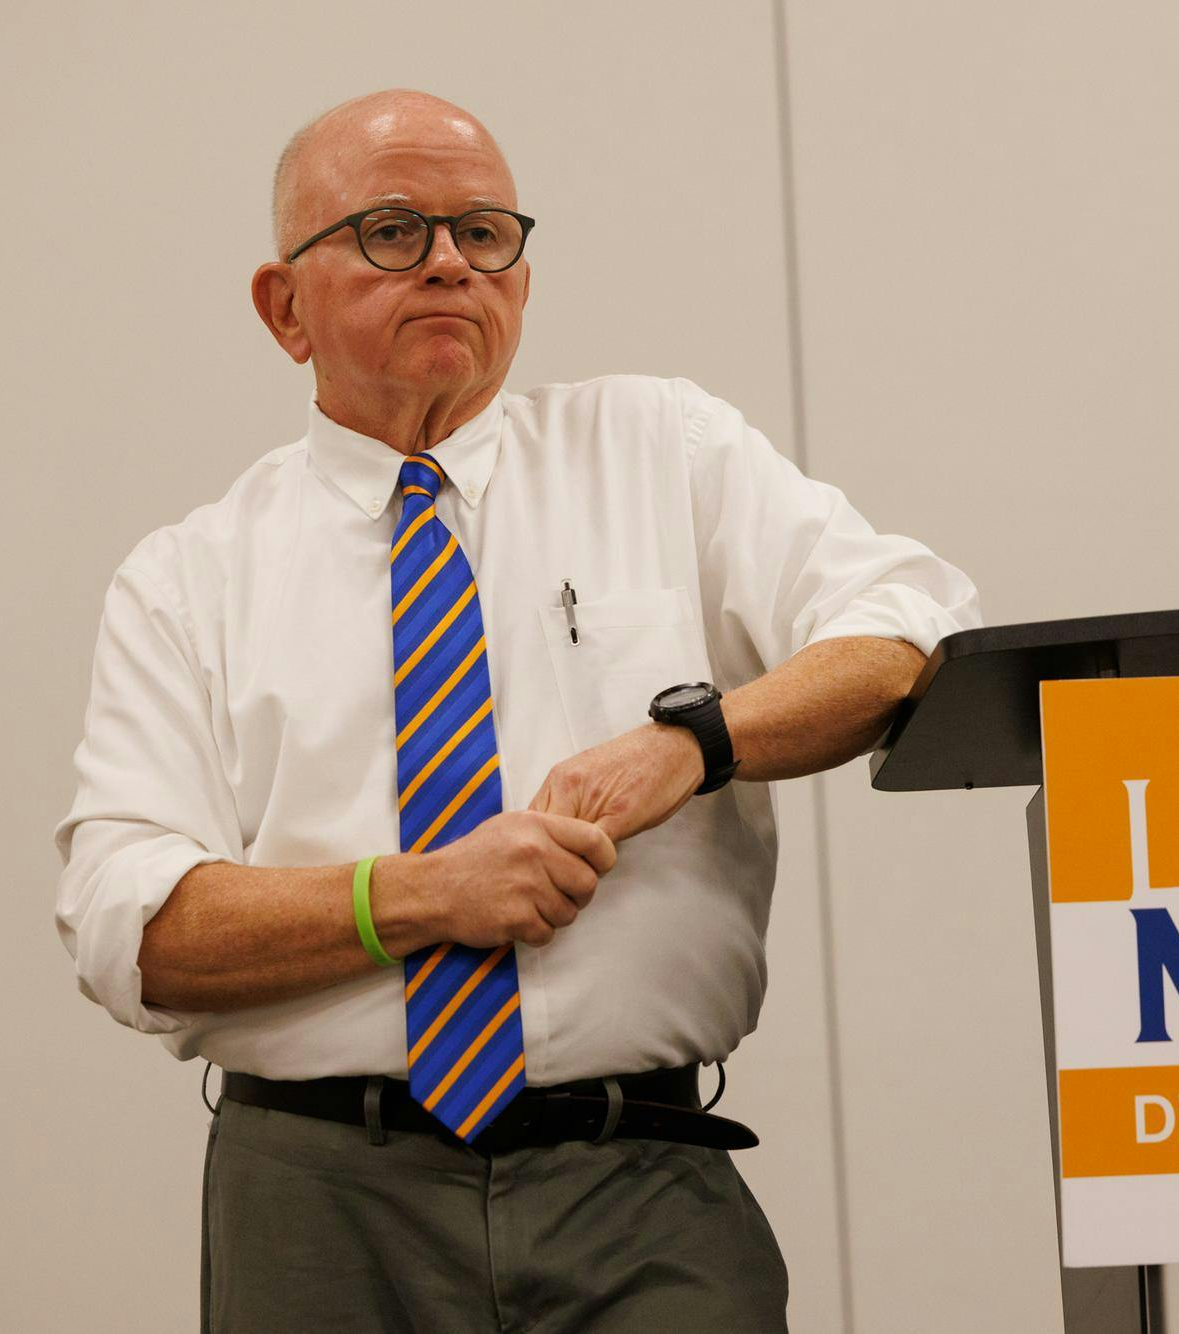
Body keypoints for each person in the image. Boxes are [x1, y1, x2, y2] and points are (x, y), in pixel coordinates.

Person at [51, 88, 981, 1332]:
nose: (447, 260)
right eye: (391, 231)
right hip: (319, 1199)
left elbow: (907, 633)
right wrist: (418, 895)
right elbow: (133, 928)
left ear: (521, 279)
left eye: (483, 232)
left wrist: (689, 744)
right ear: (284, 308)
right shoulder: (188, 576)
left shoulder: (665, 447)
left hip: (638, 1180)